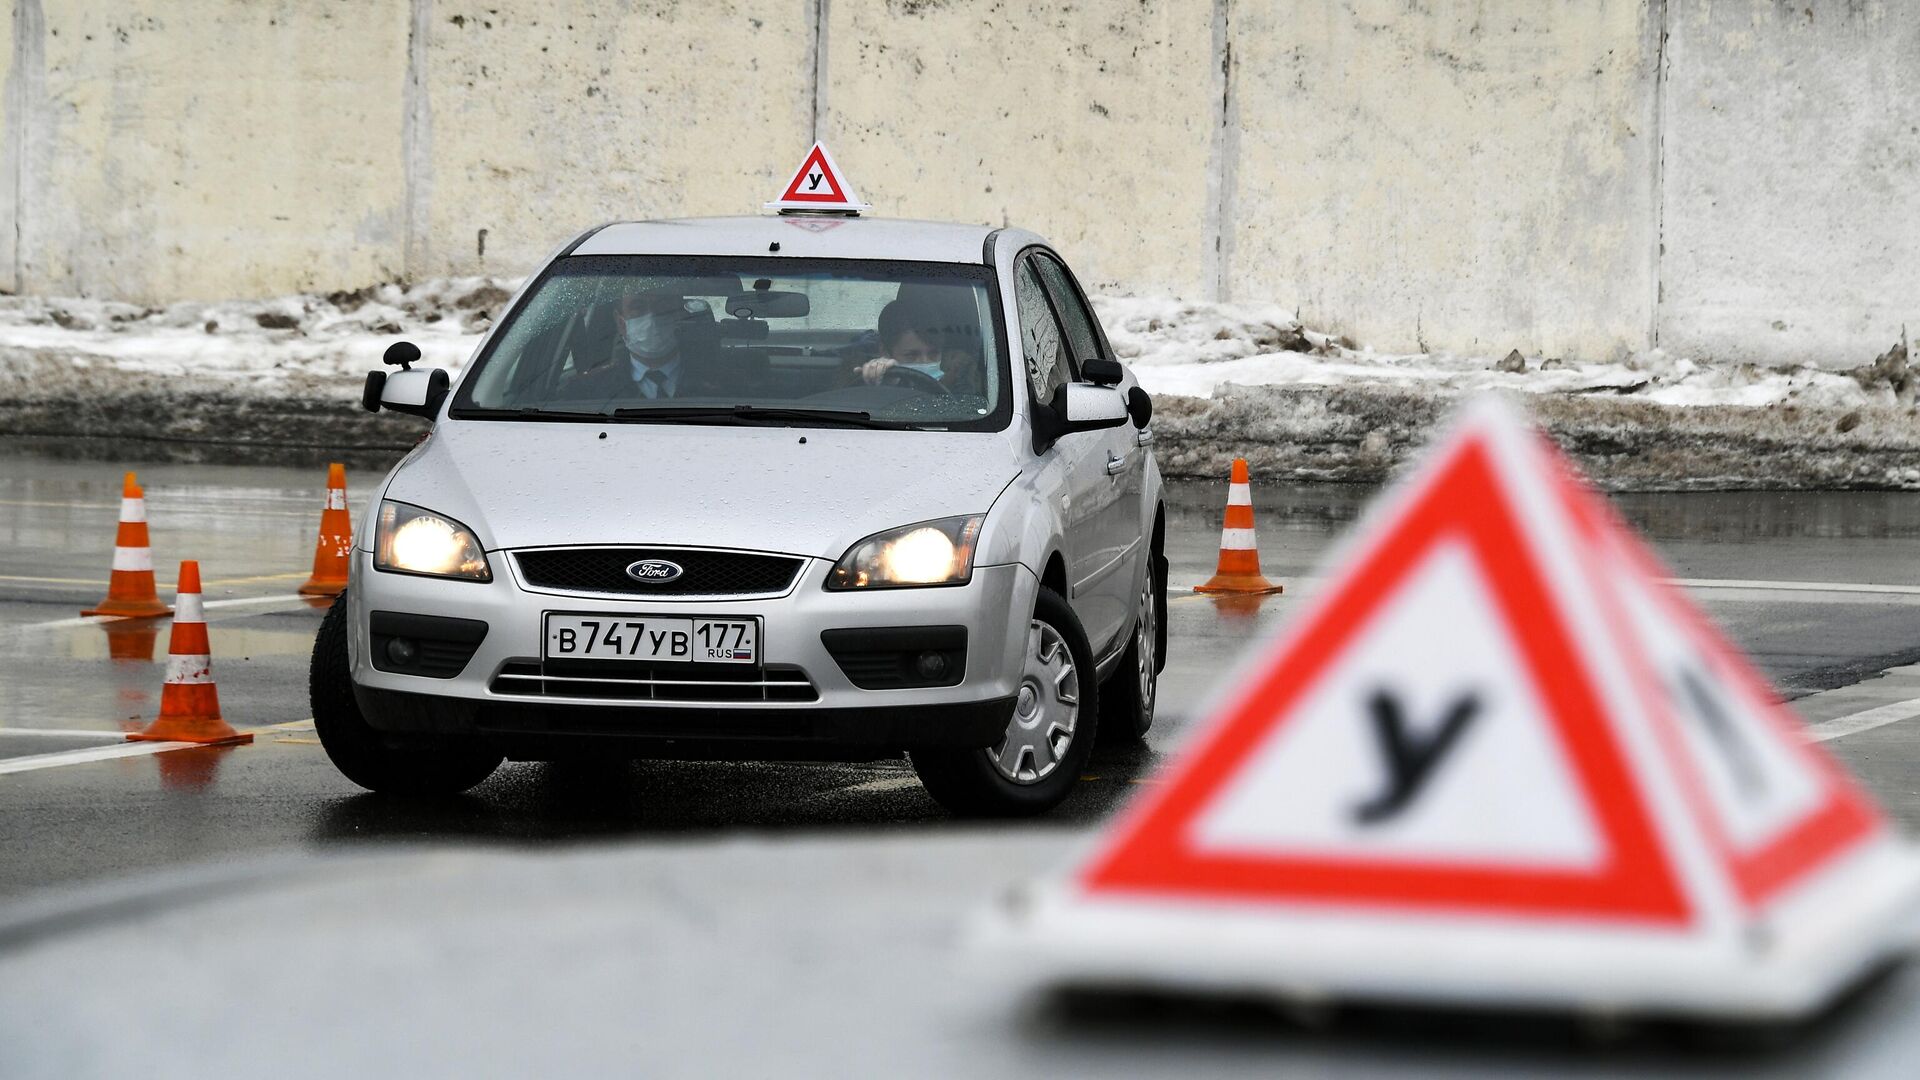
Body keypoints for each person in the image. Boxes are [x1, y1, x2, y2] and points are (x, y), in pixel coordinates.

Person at [564, 286, 722, 402]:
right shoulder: (586, 391)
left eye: (662, 305)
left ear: (679, 314)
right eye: (638, 307)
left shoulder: (729, 385)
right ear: (620, 322)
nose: (652, 317)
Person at [856, 296, 985, 397]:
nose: (925, 362)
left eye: (933, 353)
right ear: (884, 351)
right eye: (912, 355)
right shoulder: (865, 382)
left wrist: (949, 381)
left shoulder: (962, 374)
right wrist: (883, 383)